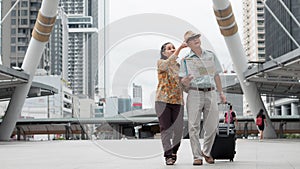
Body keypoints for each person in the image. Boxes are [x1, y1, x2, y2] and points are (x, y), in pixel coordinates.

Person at [179, 31, 226, 165]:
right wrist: (185, 81)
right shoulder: (186, 60)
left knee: (212, 125)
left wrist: (221, 92)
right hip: (194, 92)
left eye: (196, 37)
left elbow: (216, 75)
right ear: (188, 44)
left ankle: (206, 151)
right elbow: (182, 81)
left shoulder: (210, 55)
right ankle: (196, 156)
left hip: (210, 92)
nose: (196, 40)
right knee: (193, 125)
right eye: (191, 39)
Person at [155, 42, 187, 165]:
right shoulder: (161, 63)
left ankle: (174, 151)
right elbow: (168, 63)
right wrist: (179, 49)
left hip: (178, 101)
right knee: (166, 130)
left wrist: (186, 81)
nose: (172, 50)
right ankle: (168, 156)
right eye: (169, 49)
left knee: (179, 130)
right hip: (162, 101)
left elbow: (182, 85)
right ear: (163, 53)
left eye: (173, 47)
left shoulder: (179, 66)